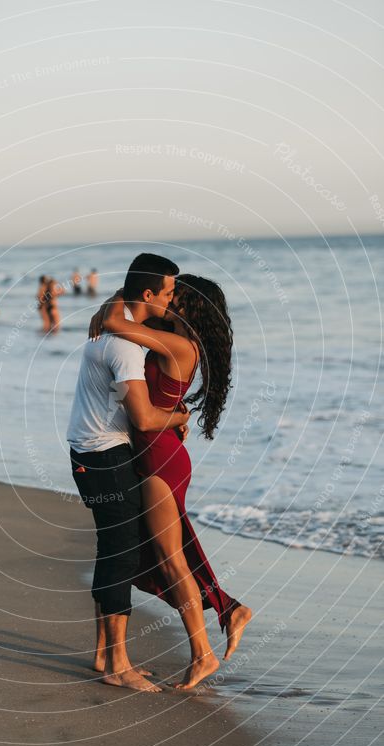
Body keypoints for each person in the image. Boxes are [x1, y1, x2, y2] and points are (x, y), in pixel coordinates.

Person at [89, 269, 252, 690]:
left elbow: (113, 321)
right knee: (172, 549)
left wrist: (123, 297)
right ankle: (228, 610)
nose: (169, 298)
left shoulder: (179, 344)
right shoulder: (170, 335)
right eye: (167, 292)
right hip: (156, 452)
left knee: (170, 558)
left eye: (176, 295)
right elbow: (120, 320)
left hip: (160, 458)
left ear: (190, 306)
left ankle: (203, 654)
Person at [67, 254, 190, 692]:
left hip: (89, 453)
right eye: (170, 292)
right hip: (105, 456)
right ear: (149, 294)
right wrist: (178, 417)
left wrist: (111, 305)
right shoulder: (125, 348)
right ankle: (118, 665)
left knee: (113, 549)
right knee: (120, 554)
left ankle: (105, 654)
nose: (174, 300)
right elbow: (142, 418)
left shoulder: (109, 330)